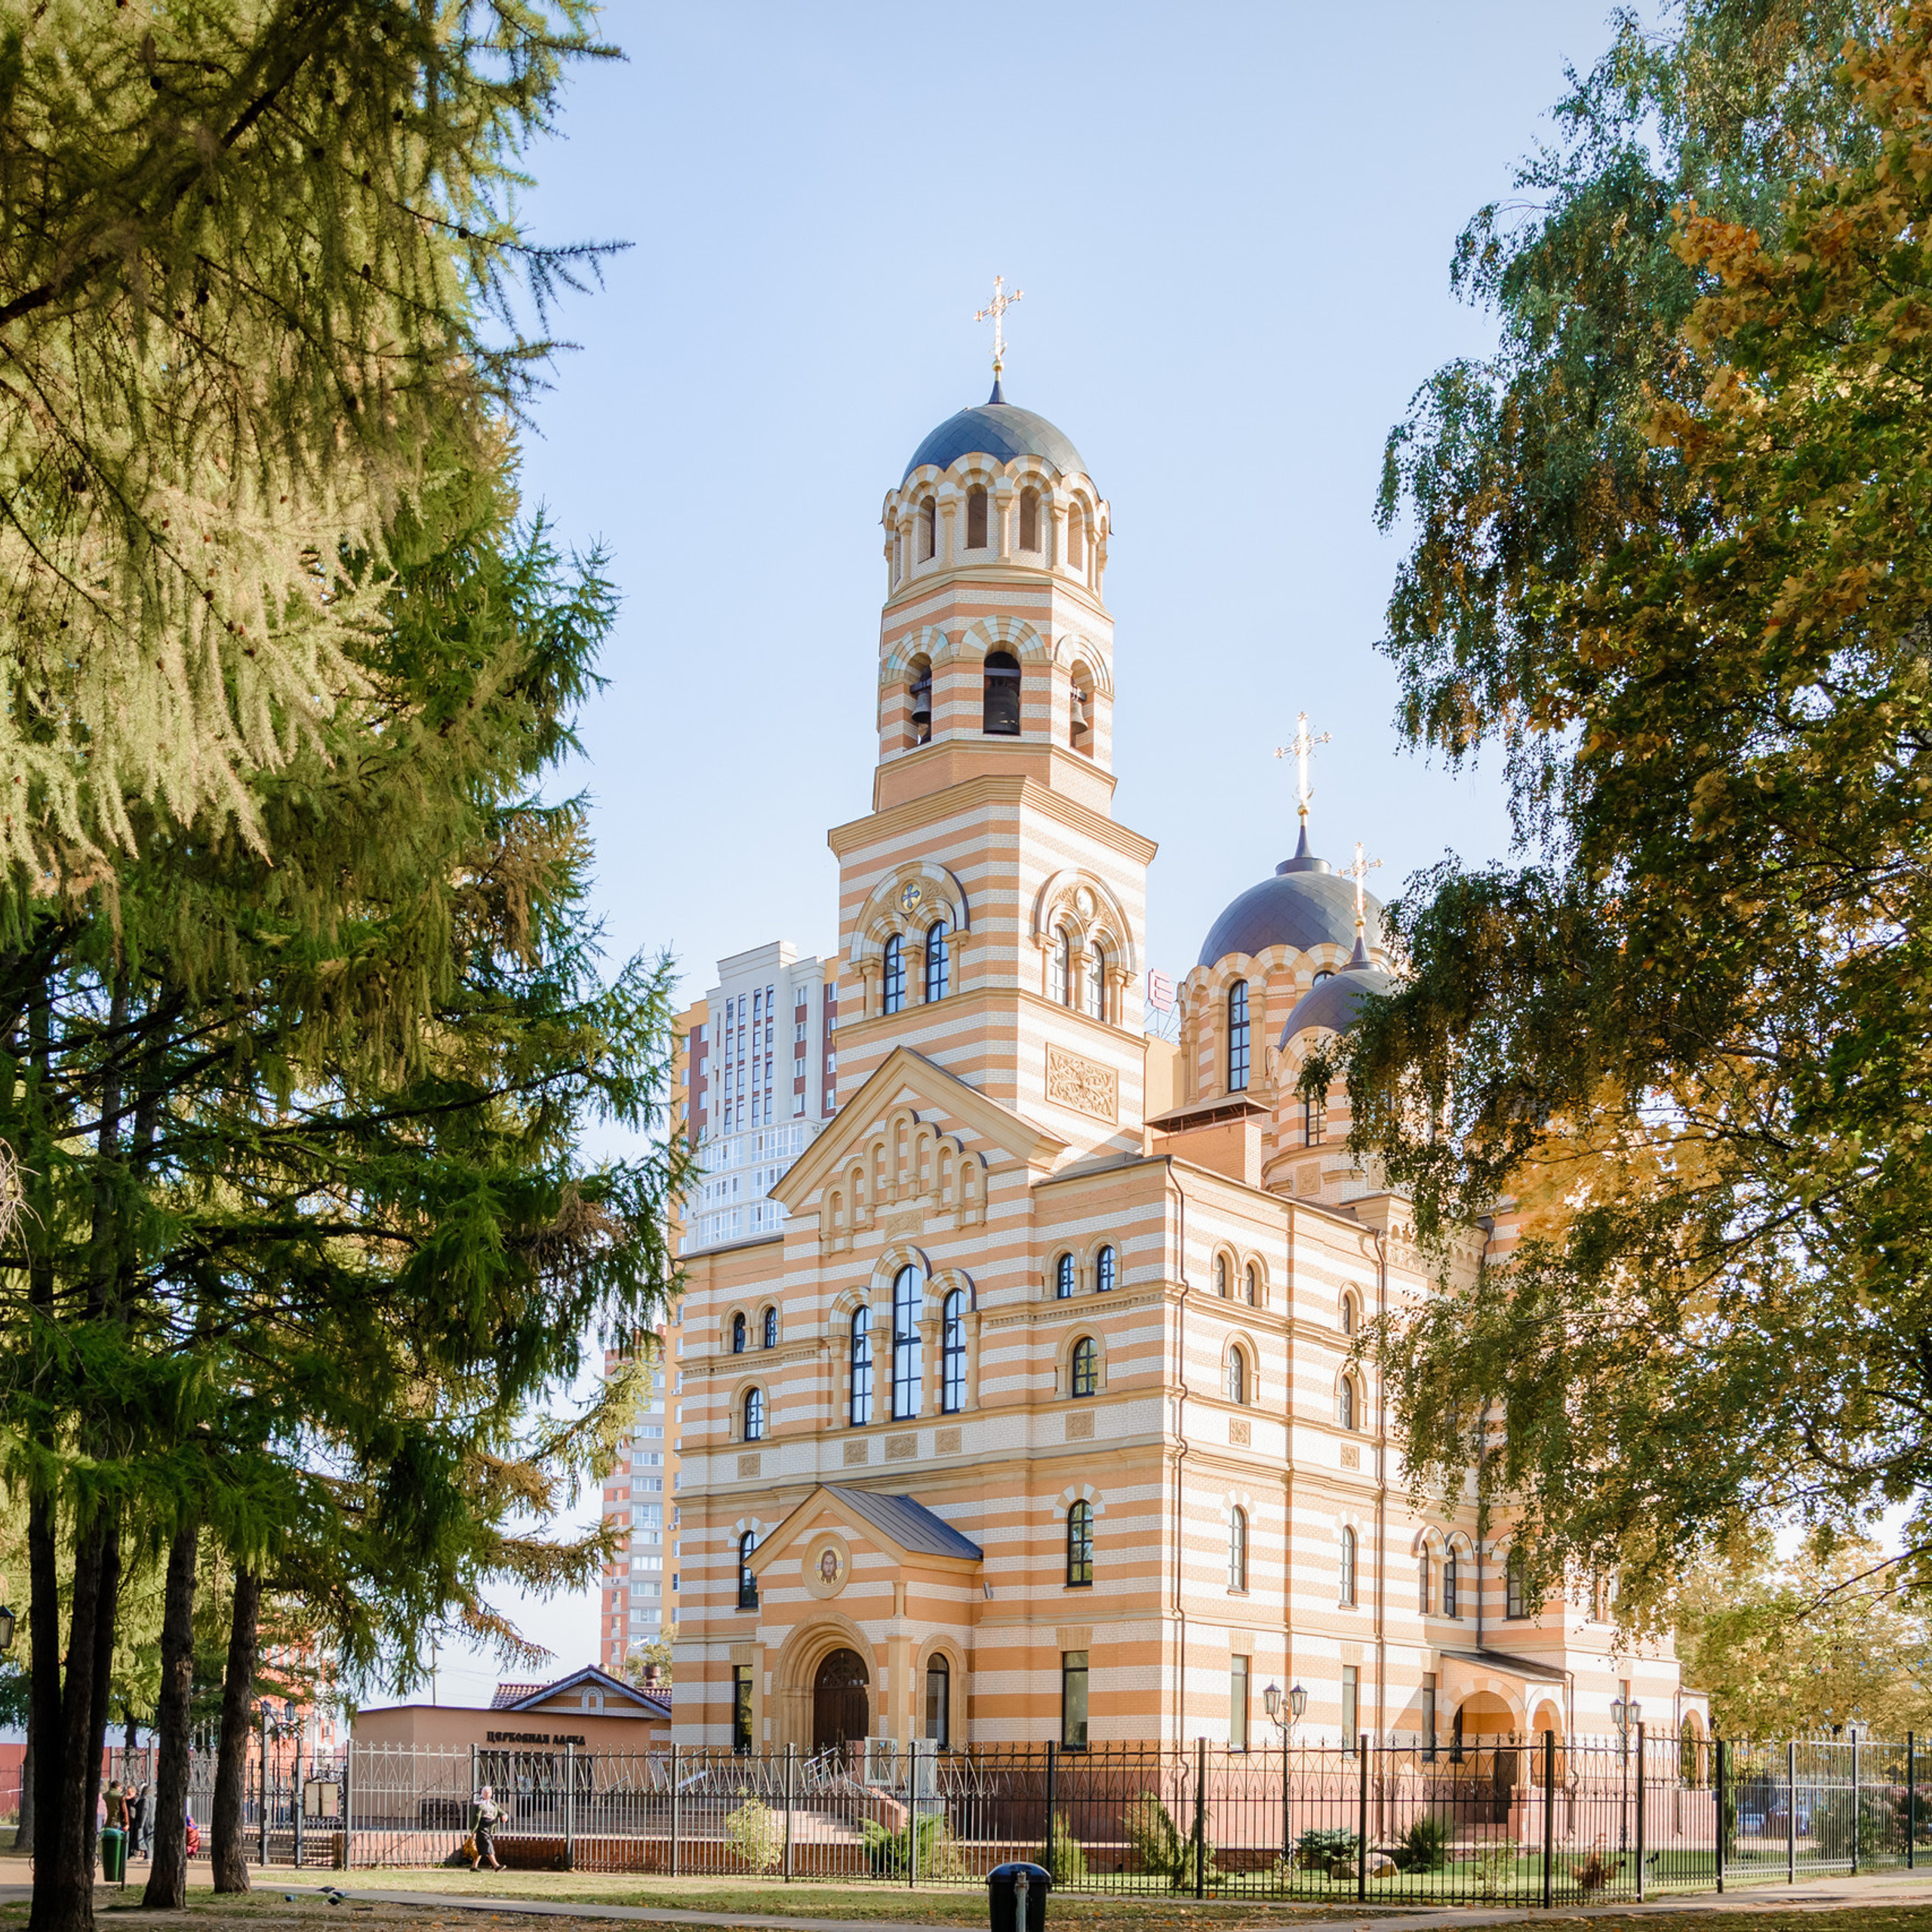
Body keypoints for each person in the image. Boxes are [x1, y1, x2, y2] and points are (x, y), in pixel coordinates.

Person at [469, 1783, 503, 1872]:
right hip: (481, 1826)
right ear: (482, 1793)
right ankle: (496, 1866)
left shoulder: (492, 1803)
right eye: (486, 1793)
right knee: (488, 1844)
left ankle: (474, 1867)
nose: (488, 1795)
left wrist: (504, 1815)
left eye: (489, 1793)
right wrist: (473, 1830)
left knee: (481, 1848)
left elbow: (500, 1811)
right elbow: (473, 1817)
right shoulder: (478, 1803)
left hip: (490, 1827)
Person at [128, 1782, 149, 1857]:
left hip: (135, 1820)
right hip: (134, 1819)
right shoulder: (139, 1799)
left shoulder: (139, 1799)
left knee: (136, 1837)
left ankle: (135, 1851)